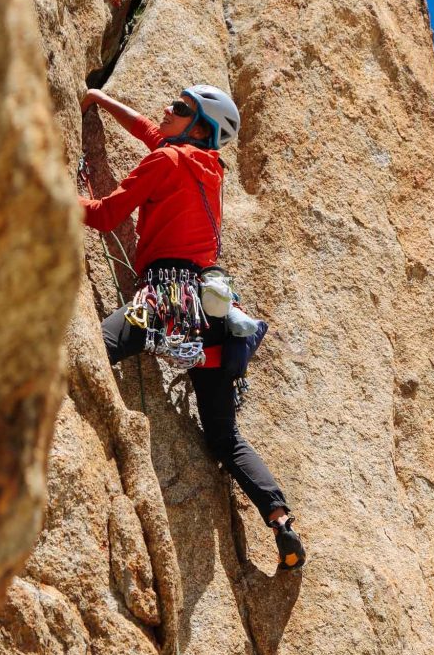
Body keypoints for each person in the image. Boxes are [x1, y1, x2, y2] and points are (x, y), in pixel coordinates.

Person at [78, 84, 306, 571]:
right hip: (214, 316)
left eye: (180, 108)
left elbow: (104, 216)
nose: (167, 108)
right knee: (223, 434)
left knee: (93, 348)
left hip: (166, 297)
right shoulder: (207, 168)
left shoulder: (168, 162)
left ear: (200, 126)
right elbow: (150, 131)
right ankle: (280, 520)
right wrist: (99, 99)